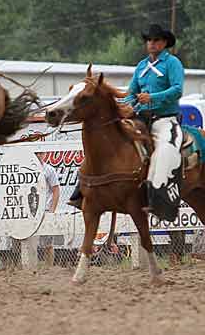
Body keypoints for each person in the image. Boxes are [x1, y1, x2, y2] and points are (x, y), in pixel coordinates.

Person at [68, 24, 184, 222]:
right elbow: (131, 94)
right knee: (109, 146)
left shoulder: (172, 63)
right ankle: (83, 191)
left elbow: (177, 89)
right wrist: (122, 106)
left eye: (156, 40)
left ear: (164, 43)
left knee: (163, 151)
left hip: (164, 119)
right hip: (139, 118)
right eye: (149, 40)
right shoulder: (141, 66)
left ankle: (157, 199)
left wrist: (152, 97)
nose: (151, 43)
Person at [37, 152, 60, 267]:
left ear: (44, 154)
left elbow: (56, 190)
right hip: (31, 211)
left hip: (45, 209)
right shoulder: (26, 169)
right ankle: (31, 268)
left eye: (40, 153)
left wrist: (52, 210)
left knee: (48, 244)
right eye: (36, 153)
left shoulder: (49, 170)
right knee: (29, 242)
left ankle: (49, 268)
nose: (38, 155)